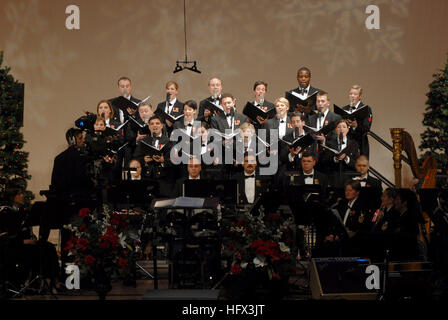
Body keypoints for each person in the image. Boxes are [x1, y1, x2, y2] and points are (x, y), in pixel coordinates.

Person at [0, 186, 61, 294]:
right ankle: (37, 282)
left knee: (49, 246)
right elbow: (5, 237)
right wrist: (24, 241)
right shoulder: (5, 212)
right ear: (12, 197)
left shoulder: (24, 211)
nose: (22, 196)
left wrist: (32, 237)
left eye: (22, 193)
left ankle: (53, 280)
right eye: (19, 194)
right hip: (14, 246)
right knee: (39, 251)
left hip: (27, 243)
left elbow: (27, 229)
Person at [133, 115, 173, 196]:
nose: (155, 125)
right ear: (149, 126)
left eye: (157, 123)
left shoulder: (169, 142)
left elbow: (174, 162)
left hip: (164, 179)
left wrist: (163, 160)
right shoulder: (143, 141)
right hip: (147, 178)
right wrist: (143, 160)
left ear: (162, 126)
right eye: (152, 124)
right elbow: (135, 159)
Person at [320, 119, 359, 186]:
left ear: (348, 129)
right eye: (339, 127)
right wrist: (335, 159)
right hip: (333, 178)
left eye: (344, 127)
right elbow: (325, 162)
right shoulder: (329, 144)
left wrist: (347, 159)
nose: (341, 129)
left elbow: (356, 164)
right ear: (335, 130)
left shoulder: (353, 144)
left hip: (349, 178)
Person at [342, 85, 373, 157]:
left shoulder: (366, 109)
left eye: (355, 94)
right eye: (350, 94)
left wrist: (356, 125)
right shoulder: (344, 109)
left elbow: (367, 127)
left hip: (360, 143)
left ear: (360, 96)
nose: (352, 96)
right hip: (347, 143)